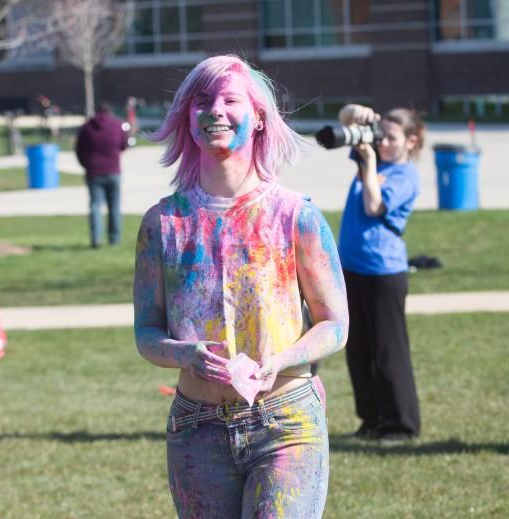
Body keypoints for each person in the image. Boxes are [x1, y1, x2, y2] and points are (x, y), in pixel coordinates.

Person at [133, 55, 348, 518]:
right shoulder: (162, 224)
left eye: (230, 100)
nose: (214, 111)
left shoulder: (296, 216)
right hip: (197, 427)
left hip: (286, 420)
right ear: (186, 118)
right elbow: (146, 334)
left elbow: (335, 324)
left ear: (259, 120)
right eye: (201, 101)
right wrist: (183, 354)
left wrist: (284, 359)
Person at [336, 103, 425, 443]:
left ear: (412, 142)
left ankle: (401, 425)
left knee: (388, 351)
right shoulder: (374, 160)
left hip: (383, 271)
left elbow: (374, 206)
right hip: (352, 267)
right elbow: (341, 125)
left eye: (391, 137)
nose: (383, 143)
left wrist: (370, 163)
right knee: (358, 350)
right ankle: (371, 420)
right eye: (381, 136)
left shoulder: (403, 175)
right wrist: (353, 113)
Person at [75, 102, 128, 248]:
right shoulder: (117, 125)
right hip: (113, 171)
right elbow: (124, 145)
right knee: (114, 207)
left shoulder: (87, 128)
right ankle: (114, 239)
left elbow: (79, 150)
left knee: (95, 206)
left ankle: (96, 239)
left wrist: (86, 165)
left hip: (94, 172)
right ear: (109, 111)